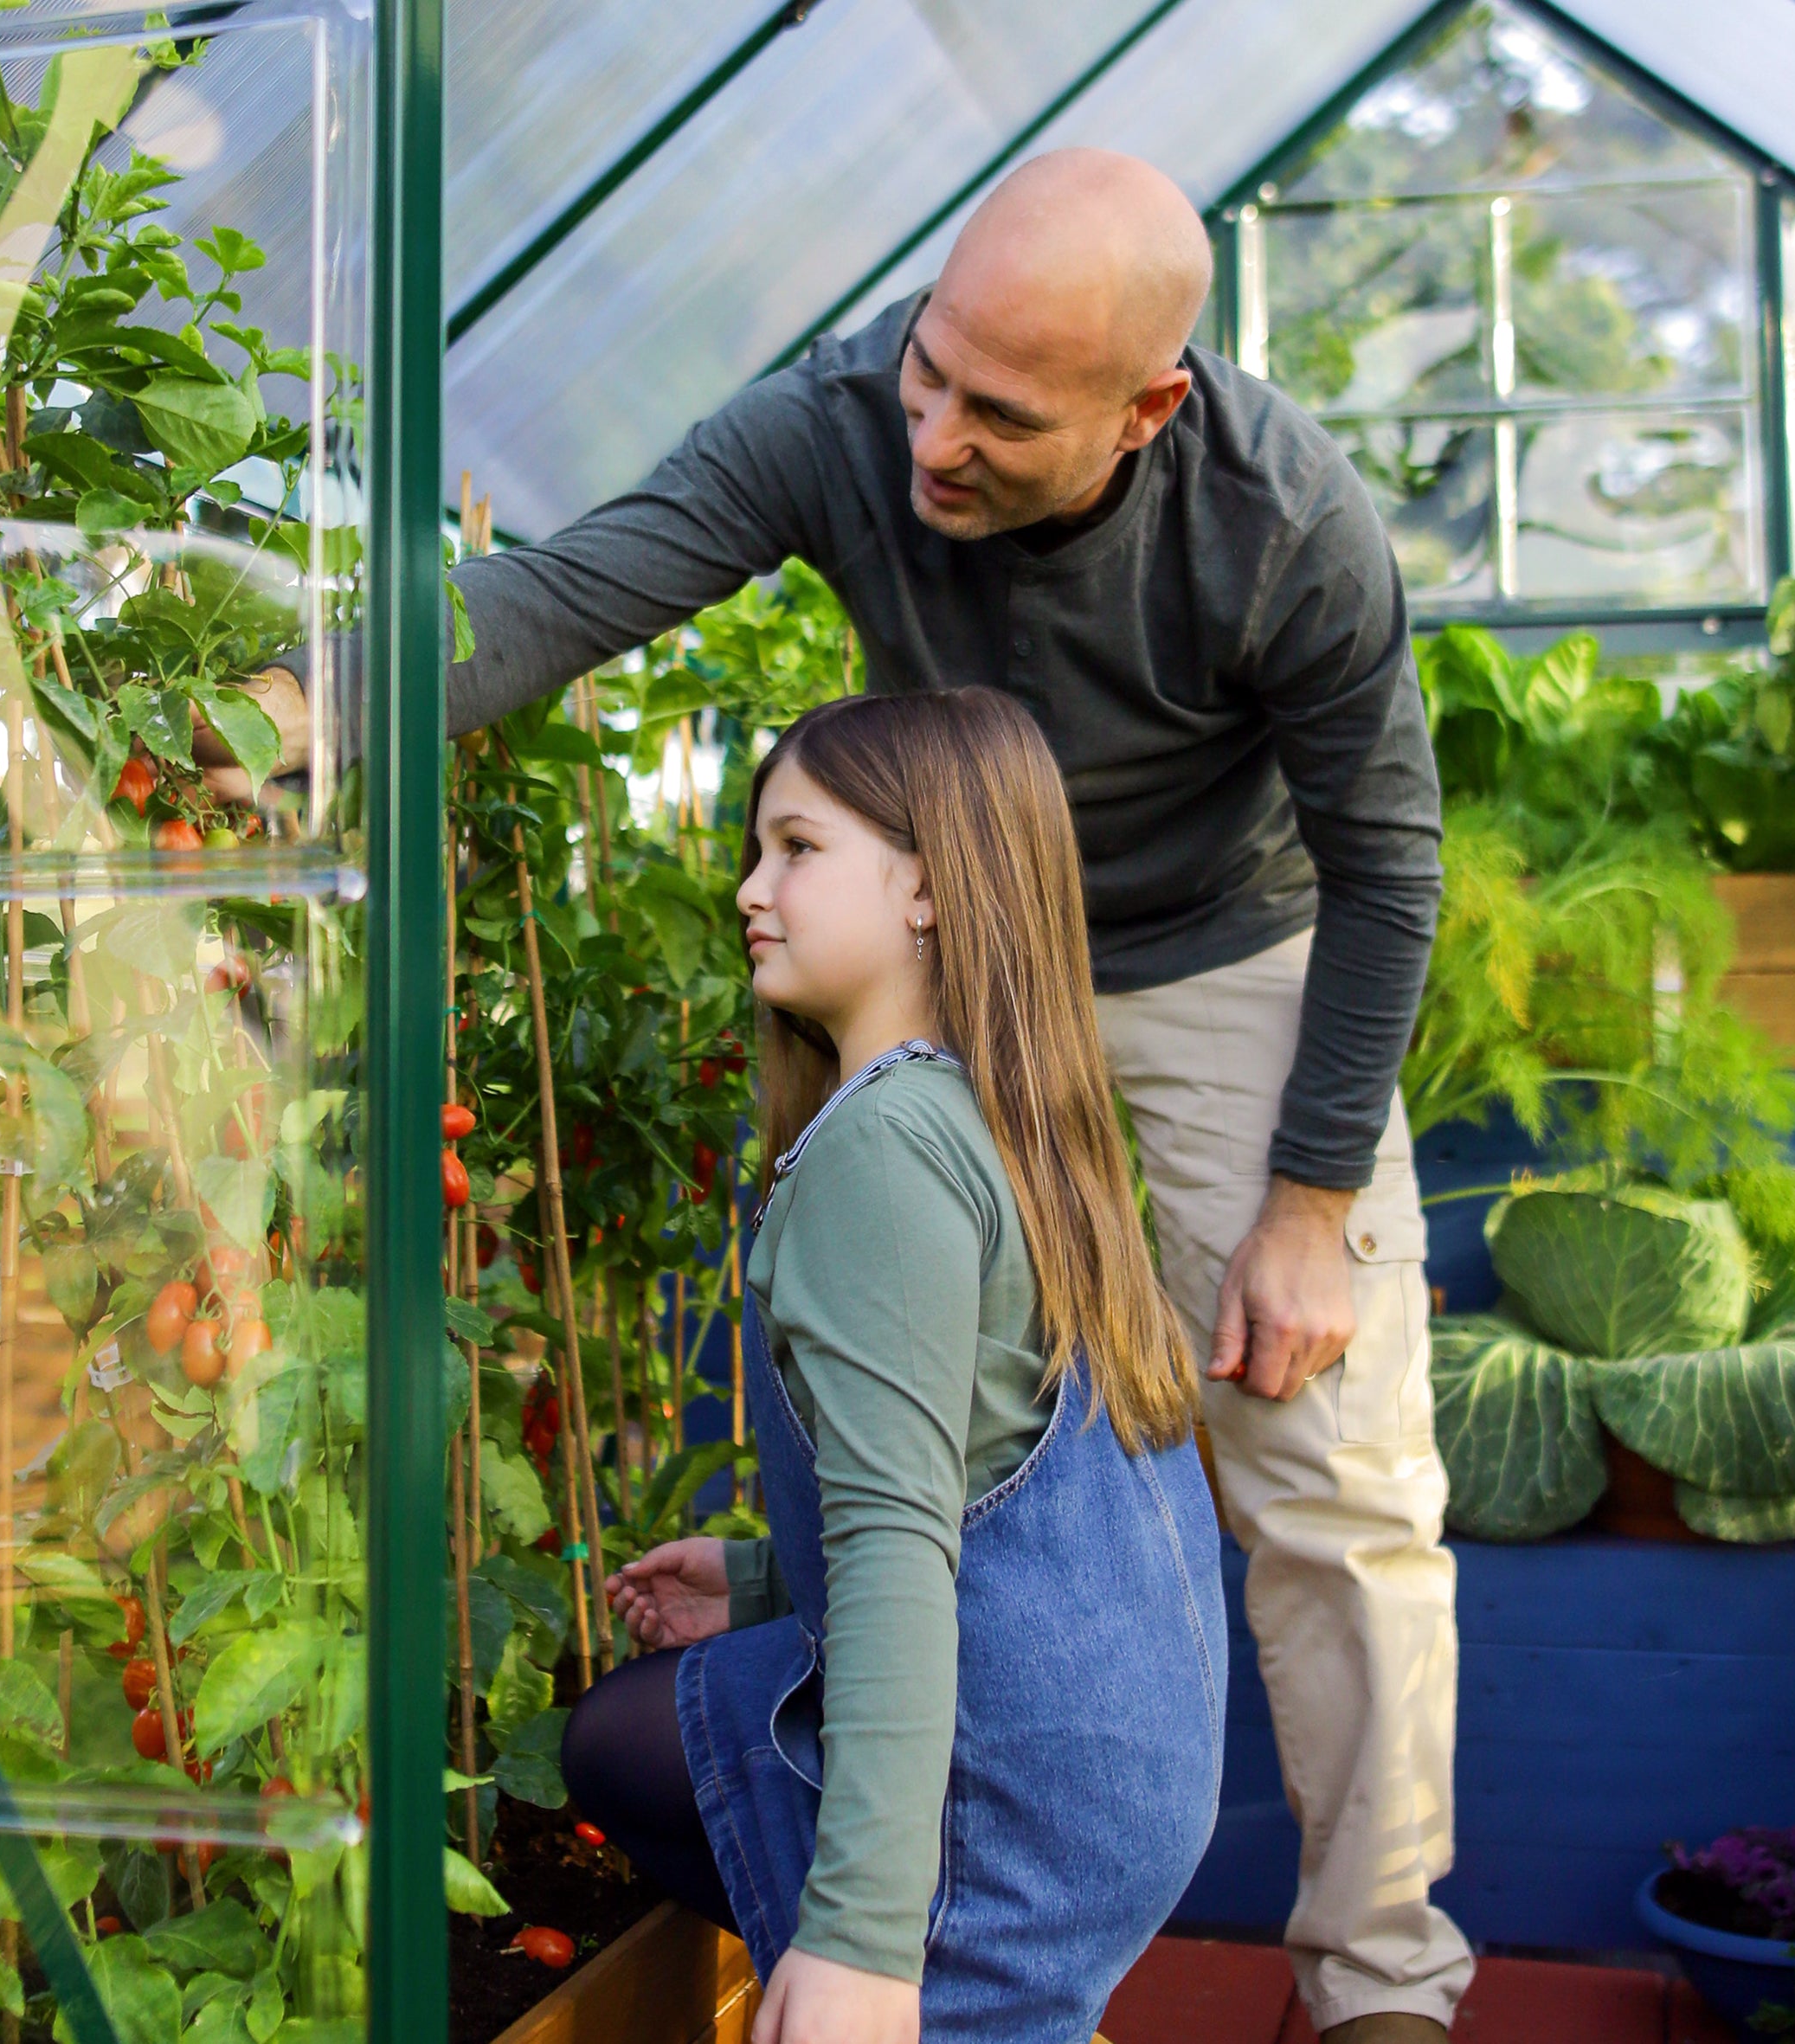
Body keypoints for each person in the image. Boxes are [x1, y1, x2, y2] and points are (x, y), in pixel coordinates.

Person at [425, 146, 1465, 2043]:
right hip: (992, 952)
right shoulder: (838, 419)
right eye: (929, 363)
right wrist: (307, 692)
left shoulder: (1281, 517)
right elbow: (570, 590)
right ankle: (951, 1851)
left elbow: (1390, 863)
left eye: (999, 412)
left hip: (1228, 952)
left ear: (1148, 408)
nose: (932, 433)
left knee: (1333, 1481)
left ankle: (1380, 1979)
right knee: (983, 1422)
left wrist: (1309, 1201)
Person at [568, 687, 1226, 2044]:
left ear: (924, 887)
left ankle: (939, 1980)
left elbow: (892, 1544)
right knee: (627, 1731)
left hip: (1012, 1802)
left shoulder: (882, 1151)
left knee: (625, 1753)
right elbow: (1013, 1494)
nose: (751, 888)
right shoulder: (1005, 1118)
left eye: (795, 849)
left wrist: (863, 1941)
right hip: (1118, 1768)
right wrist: (761, 1578)